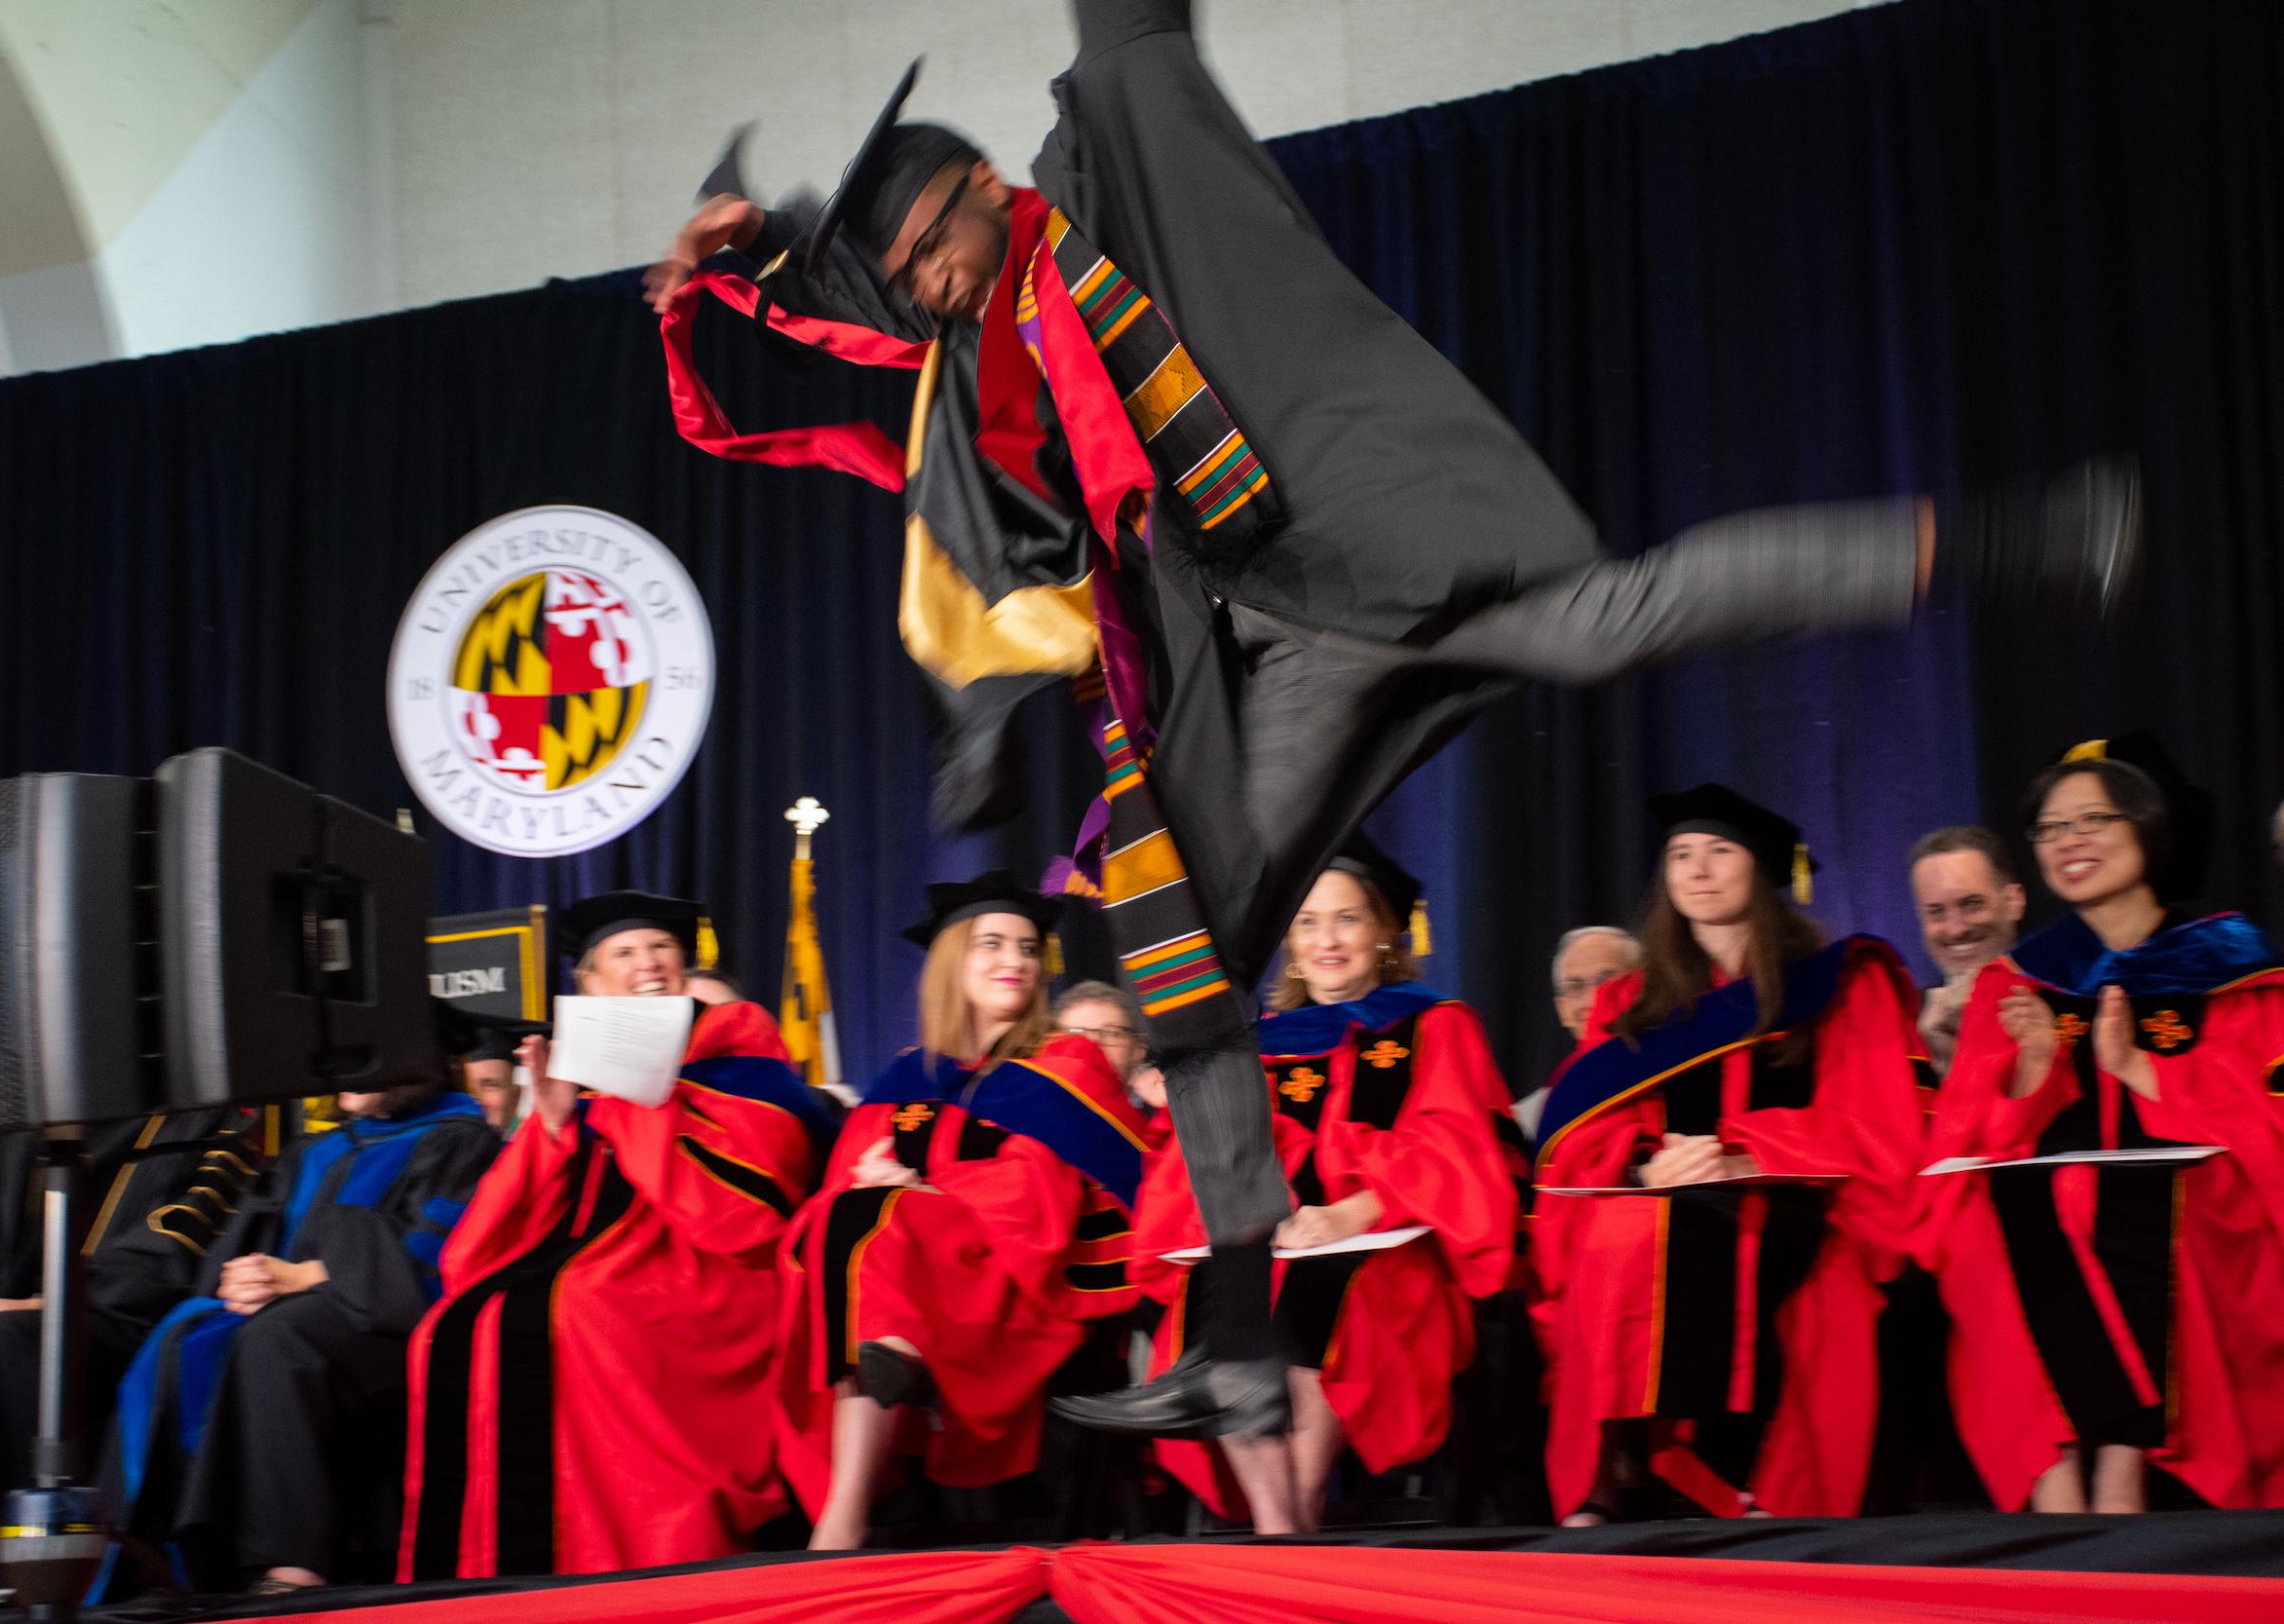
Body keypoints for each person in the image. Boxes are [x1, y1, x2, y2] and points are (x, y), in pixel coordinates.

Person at [648, 0, 2137, 1439]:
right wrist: (762, 250)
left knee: (1621, 614)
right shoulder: (987, 350)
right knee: (1189, 955)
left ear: (987, 189)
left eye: (933, 251)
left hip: (1384, 554)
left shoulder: (1119, 181)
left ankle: (2020, 537)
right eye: (910, 278)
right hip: (1274, 658)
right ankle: (1237, 1343)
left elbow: (1128, 32)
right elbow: (856, 321)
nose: (931, 286)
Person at [398, 892, 832, 1580]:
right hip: (601, 1253)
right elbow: (510, 1215)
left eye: (659, 948)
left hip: (711, 1262)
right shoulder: (580, 1059)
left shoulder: (733, 1030)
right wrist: (553, 1123)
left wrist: (640, 1103)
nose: (647, 964)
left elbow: (762, 1178)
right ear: (591, 983)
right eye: (622, 954)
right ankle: (490, 1574)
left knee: (586, 1308)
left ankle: (635, 1563)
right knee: (453, 1324)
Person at [1529, 786, 1926, 1524]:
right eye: (1680, 854)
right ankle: (1619, 1476)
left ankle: (1698, 1466)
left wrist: (1744, 1157)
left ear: (1765, 869)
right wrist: (1642, 1167)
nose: (1697, 871)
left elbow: (1879, 1125)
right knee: (1628, 1229)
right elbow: (1580, 1135)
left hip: (1800, 1200)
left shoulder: (1837, 982)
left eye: (1719, 851)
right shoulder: (1629, 1000)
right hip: (1662, 1198)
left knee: (1676, 1235)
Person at [1920, 736, 2284, 1513]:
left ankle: (2118, 1472)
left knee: (2107, 1202)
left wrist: (2142, 1070)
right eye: (2050, 828)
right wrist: (2029, 1068)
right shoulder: (2019, 979)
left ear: (2148, 828)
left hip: (2209, 1205)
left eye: (2093, 819)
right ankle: (2061, 1486)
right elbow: (1970, 1131)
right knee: (2011, 1214)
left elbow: (2269, 1116)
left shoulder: (2235, 969)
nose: (2069, 840)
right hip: (2054, 1202)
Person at [1130, 846, 1525, 1532]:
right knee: (1215, 1301)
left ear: (1384, 931)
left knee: (1321, 1301)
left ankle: (1298, 1507)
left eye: (1346, 919)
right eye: (1308, 923)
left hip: (1390, 1255)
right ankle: (1277, 1520)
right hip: (1273, 1243)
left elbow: (1460, 1150)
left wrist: (1351, 1212)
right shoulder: (1260, 1043)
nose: (1326, 940)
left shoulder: (1434, 1024)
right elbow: (1212, 1162)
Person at [776, 876, 1152, 1549]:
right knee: (856, 1219)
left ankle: (843, 1514)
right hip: (909, 1273)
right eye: (992, 943)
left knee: (879, 1218)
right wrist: (892, 1190)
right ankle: (889, 1360)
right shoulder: (906, 1077)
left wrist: (924, 1189)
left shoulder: (1065, 1063)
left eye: (1029, 947)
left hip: (1017, 1289)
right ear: (953, 959)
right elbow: (851, 1177)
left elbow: (1040, 1194)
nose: (1016, 960)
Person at [95, 1051, 501, 1598]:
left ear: (424, 1062)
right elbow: (246, 1245)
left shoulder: (462, 1139)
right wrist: (241, 1279)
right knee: (186, 1338)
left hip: (400, 1327)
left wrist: (311, 1276)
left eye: (370, 1058)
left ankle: (291, 1564)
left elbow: (438, 1262)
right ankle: (164, 1563)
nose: (348, 1073)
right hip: (304, 1312)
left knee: (282, 1338)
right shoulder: (315, 1149)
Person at [0, 1111, 270, 1604]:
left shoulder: (211, 1127)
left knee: (2, 1339)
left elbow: (168, 1261)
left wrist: (43, 1305)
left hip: (124, 1330)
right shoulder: (23, 1131)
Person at [1908, 827, 2028, 1070]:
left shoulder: (2069, 1003)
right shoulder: (1903, 1031)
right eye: (1936, 912)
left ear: (2013, 901)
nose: (1956, 929)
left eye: (1971, 904)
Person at [1524, 926, 1644, 1137]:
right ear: (1562, 1009)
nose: (1592, 999)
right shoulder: (1533, 1118)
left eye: (1607, 981)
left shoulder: (1676, 1078)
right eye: (1576, 986)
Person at [1054, 979, 1165, 1109]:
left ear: (1138, 1048)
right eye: (1076, 1034)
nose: (1092, 1045)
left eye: (1111, 1033)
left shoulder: (1168, 1112)